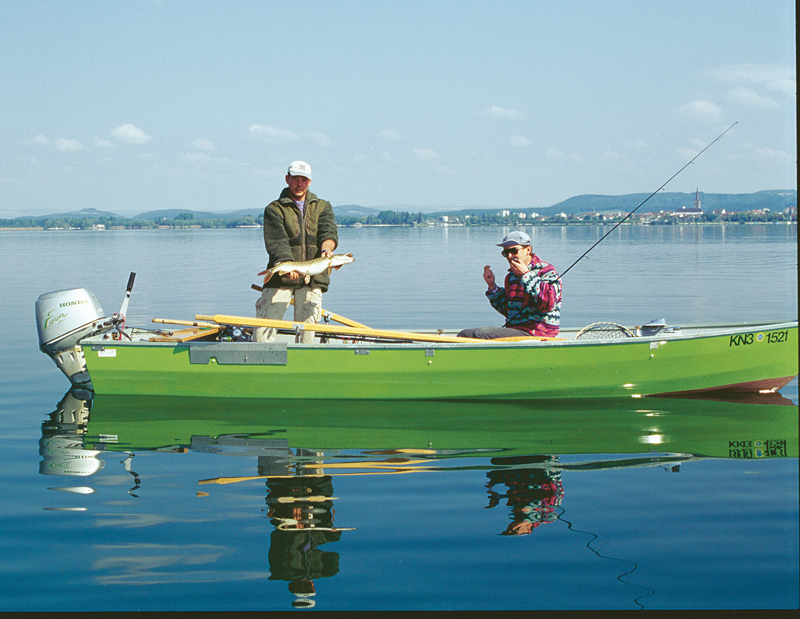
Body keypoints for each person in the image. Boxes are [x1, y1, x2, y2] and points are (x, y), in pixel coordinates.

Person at [255, 161, 338, 343]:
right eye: (295, 179)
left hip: (313, 279)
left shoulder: (323, 206)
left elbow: (329, 233)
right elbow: (277, 242)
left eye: (304, 180)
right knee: (262, 334)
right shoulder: (274, 209)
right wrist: (286, 264)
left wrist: (327, 250)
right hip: (281, 279)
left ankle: (304, 357)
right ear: (287, 179)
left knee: (307, 337)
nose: (299, 184)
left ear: (310, 182)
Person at [458, 231, 561, 339]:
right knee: (466, 334)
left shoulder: (546, 271)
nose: (510, 256)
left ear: (528, 250)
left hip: (538, 333)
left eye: (514, 251)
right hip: (516, 331)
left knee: (472, 334)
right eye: (505, 253)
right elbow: (509, 311)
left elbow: (548, 303)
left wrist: (526, 275)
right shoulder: (511, 276)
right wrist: (492, 286)